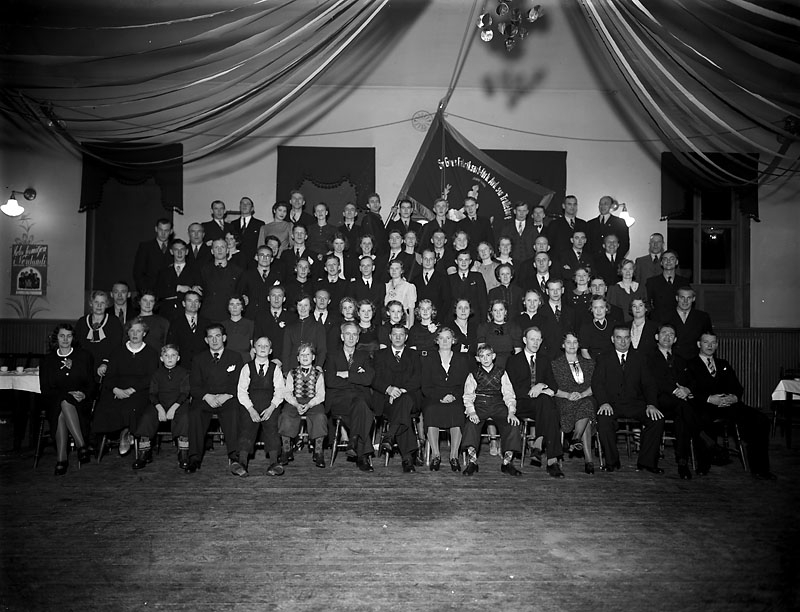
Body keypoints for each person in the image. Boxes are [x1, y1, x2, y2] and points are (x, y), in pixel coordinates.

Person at [683, 333, 775, 480]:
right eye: (706, 342)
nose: (710, 345)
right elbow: (690, 390)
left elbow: (737, 387)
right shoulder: (690, 364)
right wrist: (709, 399)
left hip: (728, 405)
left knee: (761, 420)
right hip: (705, 405)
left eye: (713, 342)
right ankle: (704, 464)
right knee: (701, 420)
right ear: (699, 344)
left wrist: (734, 397)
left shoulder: (723, 364)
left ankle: (760, 469)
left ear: (717, 345)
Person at [593, 325, 664, 474]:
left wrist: (651, 404)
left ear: (631, 339)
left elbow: (649, 384)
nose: (623, 341)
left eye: (626, 338)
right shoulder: (603, 358)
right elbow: (597, 384)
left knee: (656, 420)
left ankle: (646, 462)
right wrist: (604, 402)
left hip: (635, 404)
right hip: (612, 404)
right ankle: (612, 462)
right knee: (603, 420)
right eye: (619, 338)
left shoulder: (640, 358)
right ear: (613, 339)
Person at [92, 318, 160, 462]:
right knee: (105, 407)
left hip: (139, 391)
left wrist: (132, 390)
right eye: (132, 331)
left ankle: (127, 432)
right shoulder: (118, 351)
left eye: (139, 331)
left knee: (132, 407)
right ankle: (123, 432)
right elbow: (110, 376)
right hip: (117, 390)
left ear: (144, 333)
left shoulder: (151, 353)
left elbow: (150, 377)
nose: (135, 334)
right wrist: (116, 389)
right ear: (127, 333)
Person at [646, 324, 707, 480]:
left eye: (671, 334)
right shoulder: (648, 357)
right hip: (658, 402)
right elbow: (653, 381)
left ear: (675, 339)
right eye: (664, 333)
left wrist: (686, 389)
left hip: (680, 404)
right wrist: (675, 391)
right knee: (685, 407)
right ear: (656, 337)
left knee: (682, 419)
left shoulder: (681, 360)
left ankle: (682, 462)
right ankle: (703, 438)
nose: (667, 336)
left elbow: (692, 380)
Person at [505, 327, 565, 478]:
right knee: (549, 408)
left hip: (541, 405)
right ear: (524, 340)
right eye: (532, 339)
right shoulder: (513, 360)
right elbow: (513, 388)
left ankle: (539, 444)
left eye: (538, 339)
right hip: (522, 404)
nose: (536, 343)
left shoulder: (544, 360)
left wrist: (541, 385)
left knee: (546, 403)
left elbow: (553, 385)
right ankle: (551, 460)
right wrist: (534, 390)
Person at [185, 323, 244, 474]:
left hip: (227, 397)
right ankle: (194, 458)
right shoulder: (198, 359)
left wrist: (226, 395)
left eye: (217, 336)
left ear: (224, 338)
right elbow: (194, 385)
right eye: (210, 337)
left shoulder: (235, 357)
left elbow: (239, 382)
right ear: (206, 340)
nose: (214, 340)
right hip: (206, 398)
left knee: (234, 412)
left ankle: (235, 456)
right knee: (195, 413)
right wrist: (207, 396)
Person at [39, 324, 94, 475]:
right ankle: (81, 445)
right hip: (54, 400)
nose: (65, 339)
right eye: (62, 336)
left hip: (79, 402)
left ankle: (61, 459)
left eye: (69, 336)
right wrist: (63, 395)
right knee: (61, 402)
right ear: (56, 338)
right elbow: (45, 389)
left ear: (73, 338)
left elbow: (91, 384)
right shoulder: (47, 360)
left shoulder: (83, 356)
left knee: (63, 405)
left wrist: (84, 394)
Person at [461, 345, 522, 477]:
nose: (485, 359)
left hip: (498, 404)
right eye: (482, 356)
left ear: (493, 356)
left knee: (512, 424)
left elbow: (508, 393)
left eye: (488, 355)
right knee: (471, 424)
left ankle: (507, 462)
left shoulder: (502, 372)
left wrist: (511, 411)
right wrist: (471, 411)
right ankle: (472, 462)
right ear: (477, 359)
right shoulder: (473, 374)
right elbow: (468, 395)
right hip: (480, 404)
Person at [324, 322, 377, 472]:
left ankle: (353, 441)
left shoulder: (364, 356)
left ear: (358, 338)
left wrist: (347, 374)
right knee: (362, 409)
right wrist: (356, 379)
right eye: (348, 334)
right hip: (339, 400)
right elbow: (330, 381)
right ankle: (362, 455)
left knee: (360, 406)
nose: (351, 337)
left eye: (354, 334)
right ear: (342, 337)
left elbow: (369, 379)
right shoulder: (332, 356)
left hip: (358, 400)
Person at [373, 324, 423, 472]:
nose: (398, 337)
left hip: (409, 398)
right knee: (403, 415)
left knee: (404, 401)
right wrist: (388, 389)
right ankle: (408, 457)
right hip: (386, 400)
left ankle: (390, 435)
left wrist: (400, 391)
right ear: (390, 337)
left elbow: (418, 378)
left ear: (406, 337)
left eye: (401, 334)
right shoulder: (379, 355)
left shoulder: (414, 355)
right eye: (395, 334)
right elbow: (374, 378)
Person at [236, 336, 286, 476]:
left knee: (272, 428)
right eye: (259, 345)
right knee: (247, 427)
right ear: (254, 349)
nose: (263, 348)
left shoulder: (275, 369)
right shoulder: (247, 367)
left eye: (266, 346)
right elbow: (241, 391)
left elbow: (280, 391)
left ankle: (274, 463)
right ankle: (242, 462)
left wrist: (271, 408)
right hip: (250, 404)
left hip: (270, 405)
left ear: (270, 351)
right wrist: (251, 409)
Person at [421, 327, 469, 472]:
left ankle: (454, 456)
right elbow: (425, 385)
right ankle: (436, 455)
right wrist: (440, 397)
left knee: (457, 410)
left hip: (455, 396)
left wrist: (453, 396)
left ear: (453, 340)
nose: (445, 341)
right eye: (441, 338)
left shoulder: (462, 359)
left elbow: (465, 384)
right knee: (431, 410)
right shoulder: (429, 359)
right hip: (434, 396)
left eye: (448, 338)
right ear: (437, 341)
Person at [551, 332, 597, 474]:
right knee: (586, 412)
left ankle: (576, 438)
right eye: (568, 342)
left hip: (585, 396)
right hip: (564, 400)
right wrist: (568, 395)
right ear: (563, 345)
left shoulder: (589, 363)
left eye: (575, 342)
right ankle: (588, 460)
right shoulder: (555, 364)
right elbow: (552, 387)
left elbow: (596, 385)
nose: (572, 345)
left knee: (586, 404)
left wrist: (582, 394)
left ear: (579, 345)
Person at [279, 342, 328, 469]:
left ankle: (318, 451)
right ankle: (286, 449)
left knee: (320, 417)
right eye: (302, 354)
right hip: (295, 401)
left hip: (313, 402)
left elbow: (321, 394)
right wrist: (296, 404)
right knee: (285, 415)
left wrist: (309, 405)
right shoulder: (292, 373)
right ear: (297, 358)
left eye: (308, 354)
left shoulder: (318, 374)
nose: (305, 357)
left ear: (313, 357)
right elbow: (287, 392)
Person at [147, 344, 191, 469]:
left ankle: (183, 452)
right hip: (160, 403)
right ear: (161, 358)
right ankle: (144, 451)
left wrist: (173, 408)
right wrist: (159, 408)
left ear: (178, 358)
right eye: (166, 355)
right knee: (147, 416)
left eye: (173, 355)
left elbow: (185, 393)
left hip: (178, 404)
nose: (170, 358)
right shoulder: (156, 374)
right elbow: (152, 394)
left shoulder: (184, 373)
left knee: (184, 417)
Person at [74, 290, 124, 380]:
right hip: (85, 368)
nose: (99, 306)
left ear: (107, 305)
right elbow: (77, 345)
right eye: (96, 302)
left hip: (107, 367)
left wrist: (105, 363)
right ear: (91, 303)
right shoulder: (82, 322)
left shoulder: (114, 322)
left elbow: (116, 347)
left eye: (102, 303)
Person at [154, 238, 202, 318]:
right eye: (176, 250)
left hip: (187, 314)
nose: (179, 253)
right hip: (167, 313)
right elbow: (158, 292)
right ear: (171, 252)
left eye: (182, 250)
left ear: (186, 252)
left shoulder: (195, 271)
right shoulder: (164, 271)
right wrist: (178, 288)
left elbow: (200, 293)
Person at [165, 290, 211, 370]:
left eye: (196, 301)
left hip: (203, 367)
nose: (193, 304)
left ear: (199, 305)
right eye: (190, 301)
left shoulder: (207, 323)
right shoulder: (175, 323)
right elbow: (171, 346)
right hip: (182, 367)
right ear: (184, 303)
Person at [199, 239, 243, 323]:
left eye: (222, 247)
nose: (219, 250)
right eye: (216, 247)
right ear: (212, 251)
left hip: (228, 316)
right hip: (208, 315)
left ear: (227, 250)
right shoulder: (204, 270)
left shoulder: (237, 271)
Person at [664, 287, 713, 361]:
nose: (685, 301)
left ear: (693, 299)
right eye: (682, 297)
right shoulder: (665, 316)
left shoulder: (703, 317)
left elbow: (709, 340)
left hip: (694, 361)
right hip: (672, 360)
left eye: (689, 298)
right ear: (677, 298)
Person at [252, 284, 296, 366]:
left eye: (279, 296)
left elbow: (293, 343)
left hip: (286, 362)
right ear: (268, 298)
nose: (276, 299)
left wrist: (281, 360)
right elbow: (257, 339)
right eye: (273, 296)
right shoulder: (260, 317)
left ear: (284, 299)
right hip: (264, 361)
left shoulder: (292, 318)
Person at [281, 294, 327, 370]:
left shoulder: (318, 327)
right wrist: (285, 371)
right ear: (296, 307)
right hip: (293, 368)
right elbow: (286, 352)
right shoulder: (289, 328)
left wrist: (319, 366)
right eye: (300, 305)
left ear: (310, 307)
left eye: (306, 305)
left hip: (313, 369)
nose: (303, 308)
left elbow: (322, 350)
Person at [237, 244, 284, 317]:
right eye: (262, 255)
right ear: (256, 257)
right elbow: (239, 293)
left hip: (270, 316)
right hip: (251, 316)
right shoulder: (247, 275)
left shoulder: (277, 276)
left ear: (272, 259)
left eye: (268, 256)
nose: (265, 258)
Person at [645, 249, 691, 322]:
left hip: (679, 321)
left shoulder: (684, 282)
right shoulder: (652, 282)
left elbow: (688, 302)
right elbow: (647, 303)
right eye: (665, 259)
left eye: (671, 259)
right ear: (661, 263)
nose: (668, 261)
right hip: (658, 321)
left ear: (676, 262)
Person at [476, 300, 522, 369]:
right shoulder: (484, 327)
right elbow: (481, 351)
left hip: (510, 365)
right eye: (495, 310)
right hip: (489, 366)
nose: (498, 313)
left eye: (501, 310)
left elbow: (518, 352)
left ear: (505, 312)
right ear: (491, 313)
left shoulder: (514, 327)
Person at [133, 218, 174, 293]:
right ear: (156, 229)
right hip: (150, 292)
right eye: (160, 230)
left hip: (171, 292)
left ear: (171, 231)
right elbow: (138, 272)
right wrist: (145, 292)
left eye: (166, 230)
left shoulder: (176, 248)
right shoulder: (145, 247)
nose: (163, 233)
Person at [449, 251, 488, 323]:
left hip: (475, 319)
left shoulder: (477, 277)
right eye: (461, 260)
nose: (463, 262)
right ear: (456, 261)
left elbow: (483, 301)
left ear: (470, 261)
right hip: (454, 320)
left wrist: (483, 321)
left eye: (466, 260)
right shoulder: (449, 279)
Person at [412, 249, 451, 318]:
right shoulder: (414, 280)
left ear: (435, 261)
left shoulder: (443, 279)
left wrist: (439, 320)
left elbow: (447, 302)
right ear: (421, 260)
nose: (428, 261)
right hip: (419, 320)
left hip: (438, 320)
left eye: (431, 259)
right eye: (425, 259)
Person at [579, 296, 615, 360]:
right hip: (593, 362)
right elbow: (584, 351)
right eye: (595, 307)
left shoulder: (614, 325)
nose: (598, 311)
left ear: (606, 308)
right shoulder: (586, 327)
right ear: (591, 309)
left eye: (601, 307)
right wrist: (592, 364)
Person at [385, 260, 417, 328]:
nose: (394, 271)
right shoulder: (386, 286)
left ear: (402, 271)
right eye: (391, 268)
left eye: (397, 268)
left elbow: (411, 311)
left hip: (403, 324)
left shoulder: (408, 287)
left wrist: (410, 328)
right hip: (388, 323)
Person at [223, 295, 253, 363]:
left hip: (245, 360)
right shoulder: (222, 325)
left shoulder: (250, 324)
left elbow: (253, 346)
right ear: (228, 307)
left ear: (242, 307)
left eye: (238, 304)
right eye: (232, 304)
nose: (234, 307)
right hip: (227, 360)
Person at [235, 196, 265, 262]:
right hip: (236, 260)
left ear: (252, 208)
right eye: (242, 203)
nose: (244, 205)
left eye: (247, 204)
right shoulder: (233, 224)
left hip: (252, 259)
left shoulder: (259, 224)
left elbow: (261, 244)